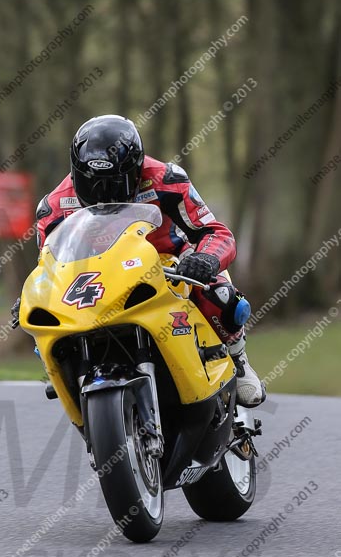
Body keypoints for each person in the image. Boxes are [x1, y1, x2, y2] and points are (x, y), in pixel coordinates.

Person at [15, 114, 265, 408]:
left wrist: (206, 258)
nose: (102, 194)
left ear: (136, 170)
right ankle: (69, 376)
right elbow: (48, 264)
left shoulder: (167, 180)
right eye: (92, 183)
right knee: (42, 323)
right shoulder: (53, 206)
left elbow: (215, 231)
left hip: (167, 259)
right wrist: (35, 293)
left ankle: (238, 359)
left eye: (112, 183)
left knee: (220, 295)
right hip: (96, 271)